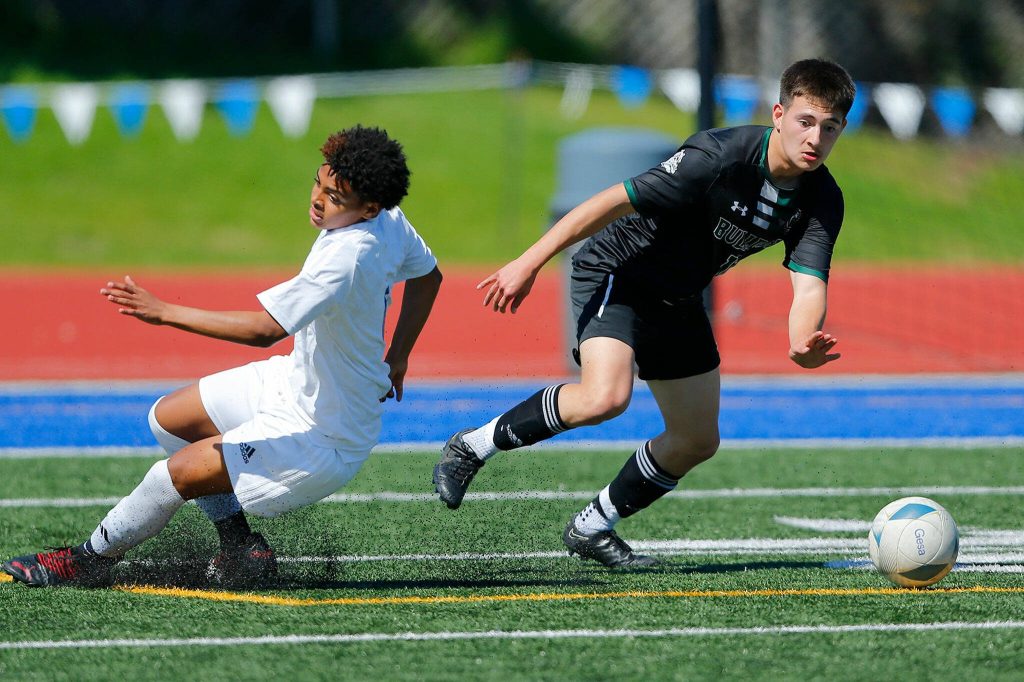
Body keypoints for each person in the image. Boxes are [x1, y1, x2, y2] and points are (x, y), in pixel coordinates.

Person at [433, 58, 854, 567]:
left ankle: (590, 527)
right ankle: (471, 446)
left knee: (697, 440)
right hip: (619, 271)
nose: (815, 138)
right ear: (779, 114)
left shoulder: (823, 198)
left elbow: (808, 284)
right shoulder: (718, 157)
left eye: (829, 128)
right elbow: (611, 200)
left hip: (678, 298)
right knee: (605, 398)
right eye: (806, 122)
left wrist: (801, 341)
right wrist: (528, 262)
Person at [3, 125, 442, 588]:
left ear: (368, 208)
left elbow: (265, 329)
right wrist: (398, 357)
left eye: (334, 197)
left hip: (326, 435)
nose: (318, 198)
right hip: (294, 384)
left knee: (169, 477)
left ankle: (84, 561)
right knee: (169, 420)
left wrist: (165, 311)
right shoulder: (387, 219)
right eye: (319, 182)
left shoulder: (349, 255)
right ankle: (239, 549)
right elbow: (428, 275)